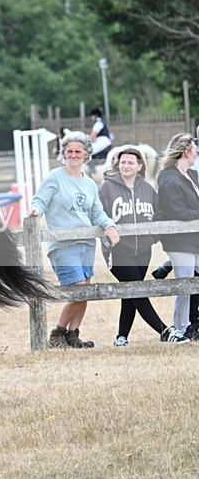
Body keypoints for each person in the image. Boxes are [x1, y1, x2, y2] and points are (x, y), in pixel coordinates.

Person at [29, 131, 119, 348]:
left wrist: (109, 225)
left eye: (78, 151)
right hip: (63, 245)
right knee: (78, 288)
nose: (73, 155)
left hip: (86, 244)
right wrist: (34, 211)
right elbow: (40, 200)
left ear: (87, 154)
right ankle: (57, 334)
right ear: (63, 153)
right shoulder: (54, 177)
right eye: (69, 151)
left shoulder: (89, 184)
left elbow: (97, 212)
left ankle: (73, 335)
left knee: (84, 291)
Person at [98, 148, 189, 345]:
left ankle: (121, 337)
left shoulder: (147, 189)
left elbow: (159, 215)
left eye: (131, 162)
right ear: (117, 164)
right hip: (117, 251)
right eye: (123, 162)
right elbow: (98, 215)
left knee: (130, 292)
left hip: (142, 251)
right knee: (137, 290)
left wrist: (151, 239)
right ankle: (165, 331)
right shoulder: (106, 188)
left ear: (140, 166)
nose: (126, 166)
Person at [154, 132, 199, 338]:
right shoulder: (169, 178)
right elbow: (177, 212)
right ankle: (179, 329)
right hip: (179, 240)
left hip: (194, 237)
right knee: (184, 284)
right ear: (186, 151)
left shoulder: (192, 175)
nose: (197, 152)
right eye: (195, 149)